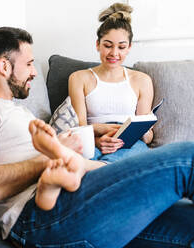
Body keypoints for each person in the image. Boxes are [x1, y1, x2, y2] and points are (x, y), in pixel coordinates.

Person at [0, 26, 194, 247]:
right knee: (191, 158)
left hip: (80, 193)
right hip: (38, 217)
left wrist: (118, 171)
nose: (34, 72)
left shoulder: (18, 111)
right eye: (29, 64)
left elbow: (71, 162)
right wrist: (53, 155)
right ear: (4, 66)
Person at [69, 3, 153, 163]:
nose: (114, 53)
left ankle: (101, 169)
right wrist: (99, 139)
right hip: (93, 141)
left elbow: (148, 139)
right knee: (78, 158)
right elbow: (79, 130)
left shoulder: (142, 80)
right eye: (107, 45)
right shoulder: (79, 78)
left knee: (123, 159)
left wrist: (145, 131)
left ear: (129, 48)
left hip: (129, 144)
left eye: (121, 47)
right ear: (97, 45)